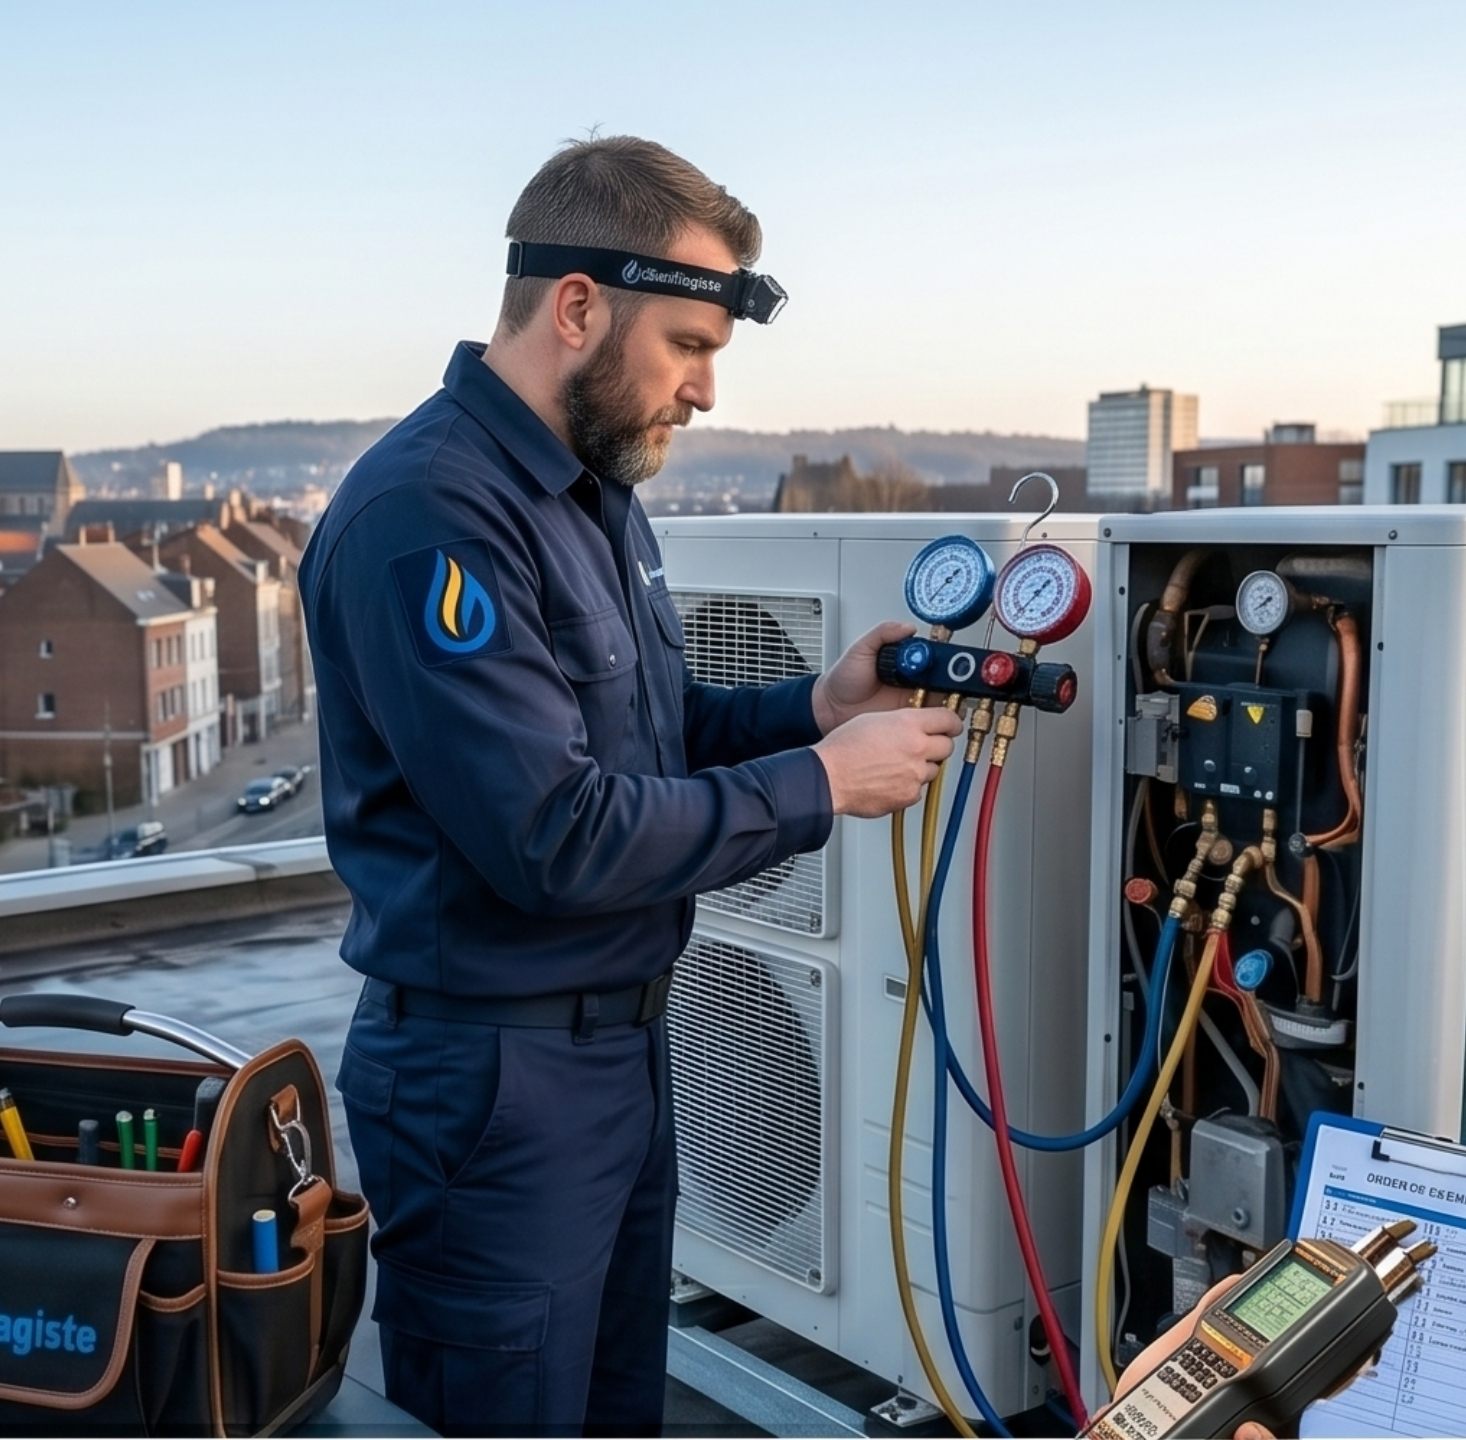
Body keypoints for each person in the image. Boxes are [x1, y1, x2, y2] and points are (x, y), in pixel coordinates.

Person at [299, 135, 961, 1436]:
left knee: (611, 1413)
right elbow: (553, 834)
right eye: (687, 347)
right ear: (578, 306)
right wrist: (822, 782)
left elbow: (647, 736)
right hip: (492, 1084)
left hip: (614, 1059)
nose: (707, 391)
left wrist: (813, 709)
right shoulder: (431, 515)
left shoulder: (592, 495)